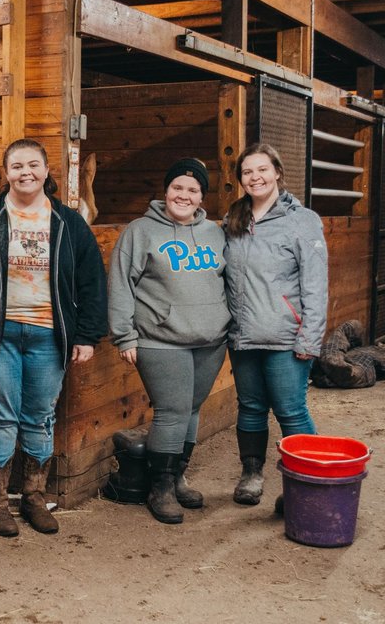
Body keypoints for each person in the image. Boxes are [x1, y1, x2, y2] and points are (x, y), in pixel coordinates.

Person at [0, 138, 107, 537]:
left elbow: (91, 282)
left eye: (33, 165)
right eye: (17, 166)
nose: (25, 173)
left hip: (49, 337)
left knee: (39, 417)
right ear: (6, 173)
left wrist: (86, 334)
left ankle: (34, 498)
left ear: (47, 170)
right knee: (1, 417)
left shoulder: (68, 224)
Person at [107, 158, 230, 524]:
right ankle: (159, 487)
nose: (184, 195)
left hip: (210, 338)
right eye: (178, 187)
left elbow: (228, 281)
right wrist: (124, 334)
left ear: (201, 196)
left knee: (191, 409)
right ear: (166, 190)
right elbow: (120, 283)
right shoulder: (140, 230)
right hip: (160, 338)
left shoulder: (215, 232)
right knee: (173, 410)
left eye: (193, 190)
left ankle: (177, 476)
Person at [223, 143, 328, 506]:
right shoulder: (233, 221)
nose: (256, 177)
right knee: (250, 407)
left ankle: (308, 483)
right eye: (248, 172)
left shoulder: (303, 221)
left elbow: (315, 285)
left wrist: (309, 339)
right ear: (240, 179)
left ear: (278, 172)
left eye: (262, 170)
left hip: (286, 338)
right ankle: (251, 474)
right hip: (243, 336)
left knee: (291, 410)